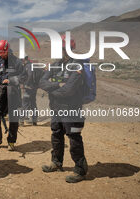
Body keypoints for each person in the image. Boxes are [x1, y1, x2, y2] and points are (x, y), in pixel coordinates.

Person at [39, 35, 88, 183]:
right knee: (56, 135)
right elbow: (42, 82)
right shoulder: (55, 65)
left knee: (73, 138)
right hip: (56, 108)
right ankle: (56, 162)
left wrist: (52, 86)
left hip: (71, 109)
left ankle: (80, 170)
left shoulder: (77, 66)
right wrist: (57, 85)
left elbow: (69, 90)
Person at [0, 40, 23, 151]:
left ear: (7, 51)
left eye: (2, 53)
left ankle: (11, 141)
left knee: (13, 118)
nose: (1, 56)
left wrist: (11, 80)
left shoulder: (17, 62)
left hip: (12, 93)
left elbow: (23, 76)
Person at [20, 56, 41, 126]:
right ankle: (34, 121)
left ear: (24, 60)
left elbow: (30, 75)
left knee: (25, 103)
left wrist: (26, 84)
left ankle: (21, 121)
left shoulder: (28, 66)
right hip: (34, 88)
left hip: (29, 88)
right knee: (33, 104)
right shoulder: (33, 65)